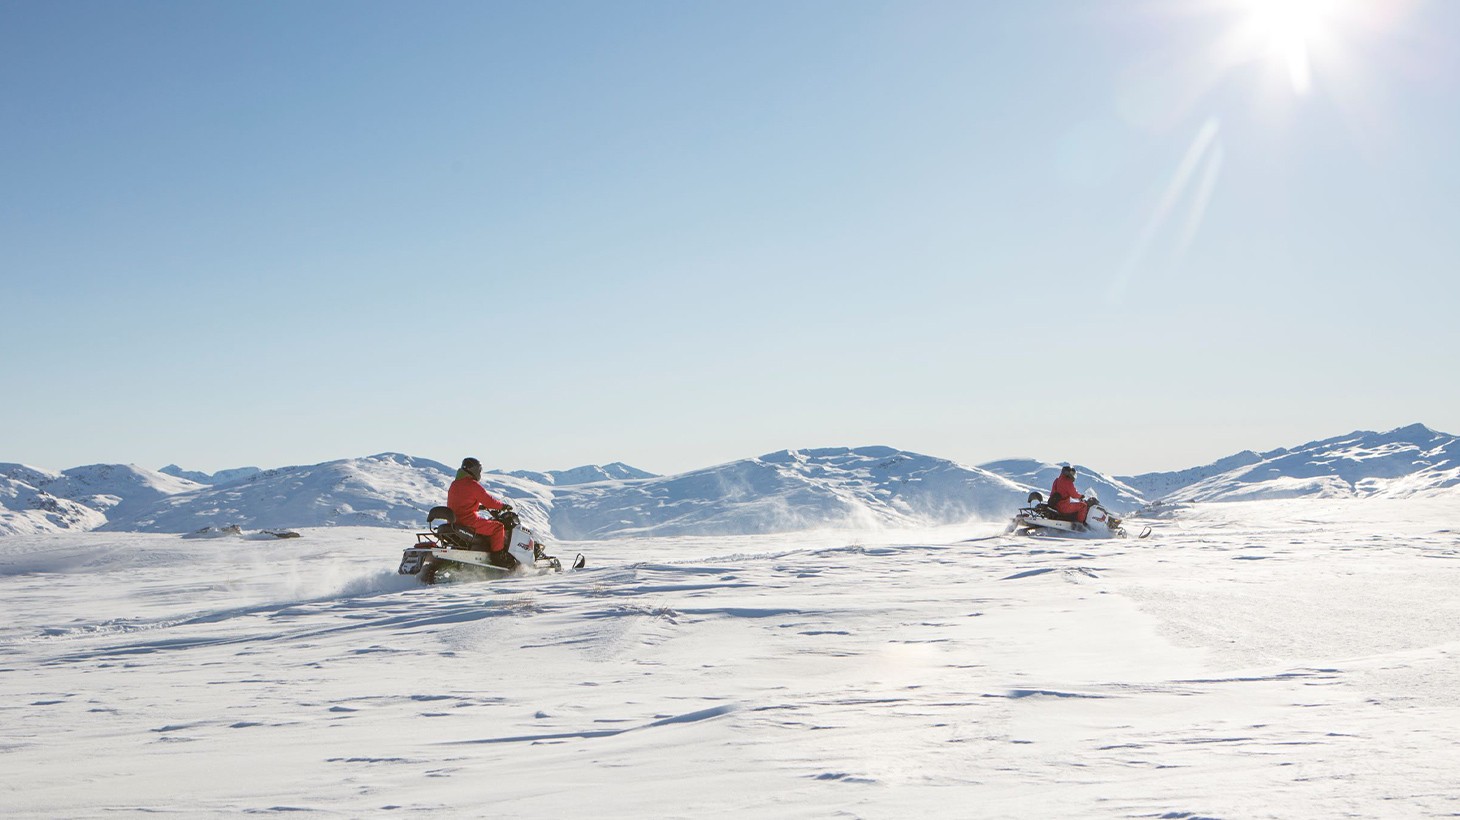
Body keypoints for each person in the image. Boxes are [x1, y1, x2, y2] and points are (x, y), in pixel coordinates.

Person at [447, 457, 517, 569]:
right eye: (479, 470)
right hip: (469, 521)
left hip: (456, 521)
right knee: (498, 527)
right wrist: (503, 506)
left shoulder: (455, 484)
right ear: (474, 470)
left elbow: (460, 503)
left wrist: (478, 507)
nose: (479, 473)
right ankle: (498, 557)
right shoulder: (472, 485)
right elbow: (489, 501)